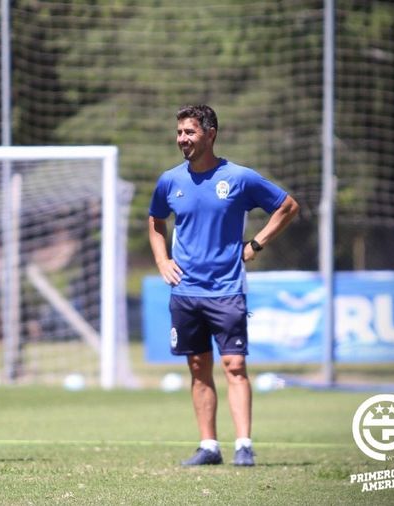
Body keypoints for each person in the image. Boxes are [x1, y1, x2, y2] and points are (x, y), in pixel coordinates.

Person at [148, 104, 299, 467]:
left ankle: (243, 445)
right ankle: (209, 446)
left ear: (210, 134)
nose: (182, 139)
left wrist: (256, 244)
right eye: (179, 132)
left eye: (190, 132)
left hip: (227, 289)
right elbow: (155, 221)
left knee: (234, 365)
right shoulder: (169, 181)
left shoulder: (239, 178)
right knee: (198, 368)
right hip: (186, 292)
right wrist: (163, 261)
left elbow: (287, 206)